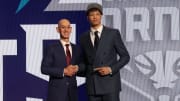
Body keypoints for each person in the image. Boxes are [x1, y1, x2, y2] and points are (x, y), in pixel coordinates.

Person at [78, 3, 130, 101]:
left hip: (110, 85)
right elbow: (84, 62)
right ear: (87, 17)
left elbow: (125, 56)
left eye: (97, 14)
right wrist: (76, 68)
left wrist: (110, 69)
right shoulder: (83, 37)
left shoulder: (113, 33)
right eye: (92, 15)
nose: (95, 17)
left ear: (101, 16)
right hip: (92, 86)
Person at [41, 19, 79, 101]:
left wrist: (77, 68)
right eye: (63, 27)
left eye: (68, 27)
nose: (66, 30)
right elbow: (44, 69)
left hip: (72, 93)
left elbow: (82, 66)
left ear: (71, 29)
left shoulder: (76, 48)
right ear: (58, 30)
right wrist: (64, 71)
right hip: (57, 94)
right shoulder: (51, 48)